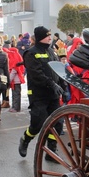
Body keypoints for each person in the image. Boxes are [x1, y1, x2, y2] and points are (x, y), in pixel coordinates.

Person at [18, 26, 65, 159]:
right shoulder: (31, 53)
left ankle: (51, 151)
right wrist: (52, 83)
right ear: (39, 37)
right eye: (47, 36)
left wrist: (64, 86)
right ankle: (25, 139)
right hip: (39, 95)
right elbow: (36, 74)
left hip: (53, 94)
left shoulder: (52, 52)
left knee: (58, 123)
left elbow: (58, 70)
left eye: (50, 35)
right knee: (37, 123)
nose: (50, 38)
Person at [5, 47, 25, 112]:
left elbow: (13, 70)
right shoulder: (18, 56)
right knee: (15, 94)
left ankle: (16, 108)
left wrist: (9, 80)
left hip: (16, 80)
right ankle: (14, 107)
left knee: (16, 95)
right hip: (17, 80)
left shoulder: (13, 59)